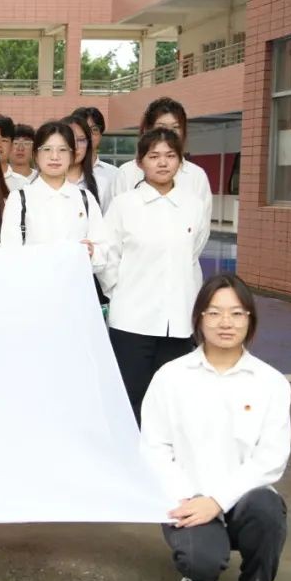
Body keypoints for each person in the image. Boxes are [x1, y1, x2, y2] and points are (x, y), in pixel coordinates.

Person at [141, 273, 289, 581]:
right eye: (214, 312)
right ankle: (200, 576)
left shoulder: (270, 382)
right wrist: (190, 498)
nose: (226, 322)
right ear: (199, 319)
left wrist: (218, 501)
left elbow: (271, 457)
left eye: (237, 313)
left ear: (250, 319)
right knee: (201, 560)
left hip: (243, 500)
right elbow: (154, 447)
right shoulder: (171, 377)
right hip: (187, 499)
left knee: (268, 510)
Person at [99, 127, 209, 422]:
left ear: (180, 161)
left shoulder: (193, 206)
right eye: (154, 156)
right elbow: (107, 257)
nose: (162, 162)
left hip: (178, 321)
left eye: (170, 156)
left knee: (171, 401)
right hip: (132, 320)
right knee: (130, 397)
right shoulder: (124, 205)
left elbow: (193, 252)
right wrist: (120, 292)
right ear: (140, 162)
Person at [0, 121, 107, 271]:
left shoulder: (85, 198)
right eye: (47, 149)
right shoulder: (19, 199)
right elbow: (10, 254)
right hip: (34, 282)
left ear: (72, 155)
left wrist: (92, 252)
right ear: (36, 155)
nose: (54, 157)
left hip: (76, 282)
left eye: (62, 150)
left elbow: (103, 254)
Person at [110, 97, 212, 229]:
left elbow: (202, 227)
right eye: (161, 127)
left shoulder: (196, 175)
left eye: (175, 127)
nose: (168, 133)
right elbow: (116, 222)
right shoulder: (127, 172)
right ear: (147, 129)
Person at [74, 107, 118, 210]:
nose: (88, 135)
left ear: (101, 135)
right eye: (83, 129)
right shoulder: (60, 172)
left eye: (94, 129)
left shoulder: (114, 174)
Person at [63, 114, 102, 208]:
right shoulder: (38, 185)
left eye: (81, 140)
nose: (75, 146)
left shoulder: (102, 183)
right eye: (70, 140)